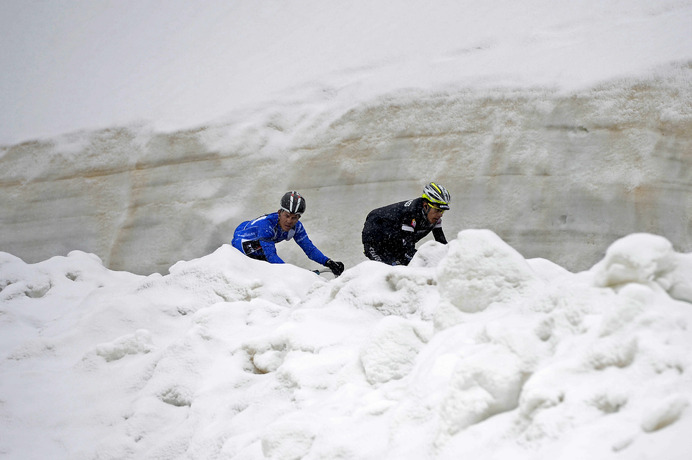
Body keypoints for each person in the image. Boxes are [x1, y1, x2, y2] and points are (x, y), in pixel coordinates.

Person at [232, 191, 345, 276]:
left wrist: (328, 262)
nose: (289, 221)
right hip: (242, 241)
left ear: (298, 218)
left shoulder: (297, 227)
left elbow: (310, 249)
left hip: (259, 247)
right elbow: (271, 255)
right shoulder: (266, 225)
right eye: (287, 216)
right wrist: (291, 274)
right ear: (279, 212)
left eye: (294, 217)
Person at [362, 182, 451, 266]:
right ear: (425, 205)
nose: (440, 215)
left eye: (443, 211)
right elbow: (407, 250)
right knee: (394, 269)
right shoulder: (411, 213)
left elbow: (442, 243)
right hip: (375, 238)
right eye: (438, 210)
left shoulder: (434, 217)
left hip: (395, 242)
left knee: (408, 263)